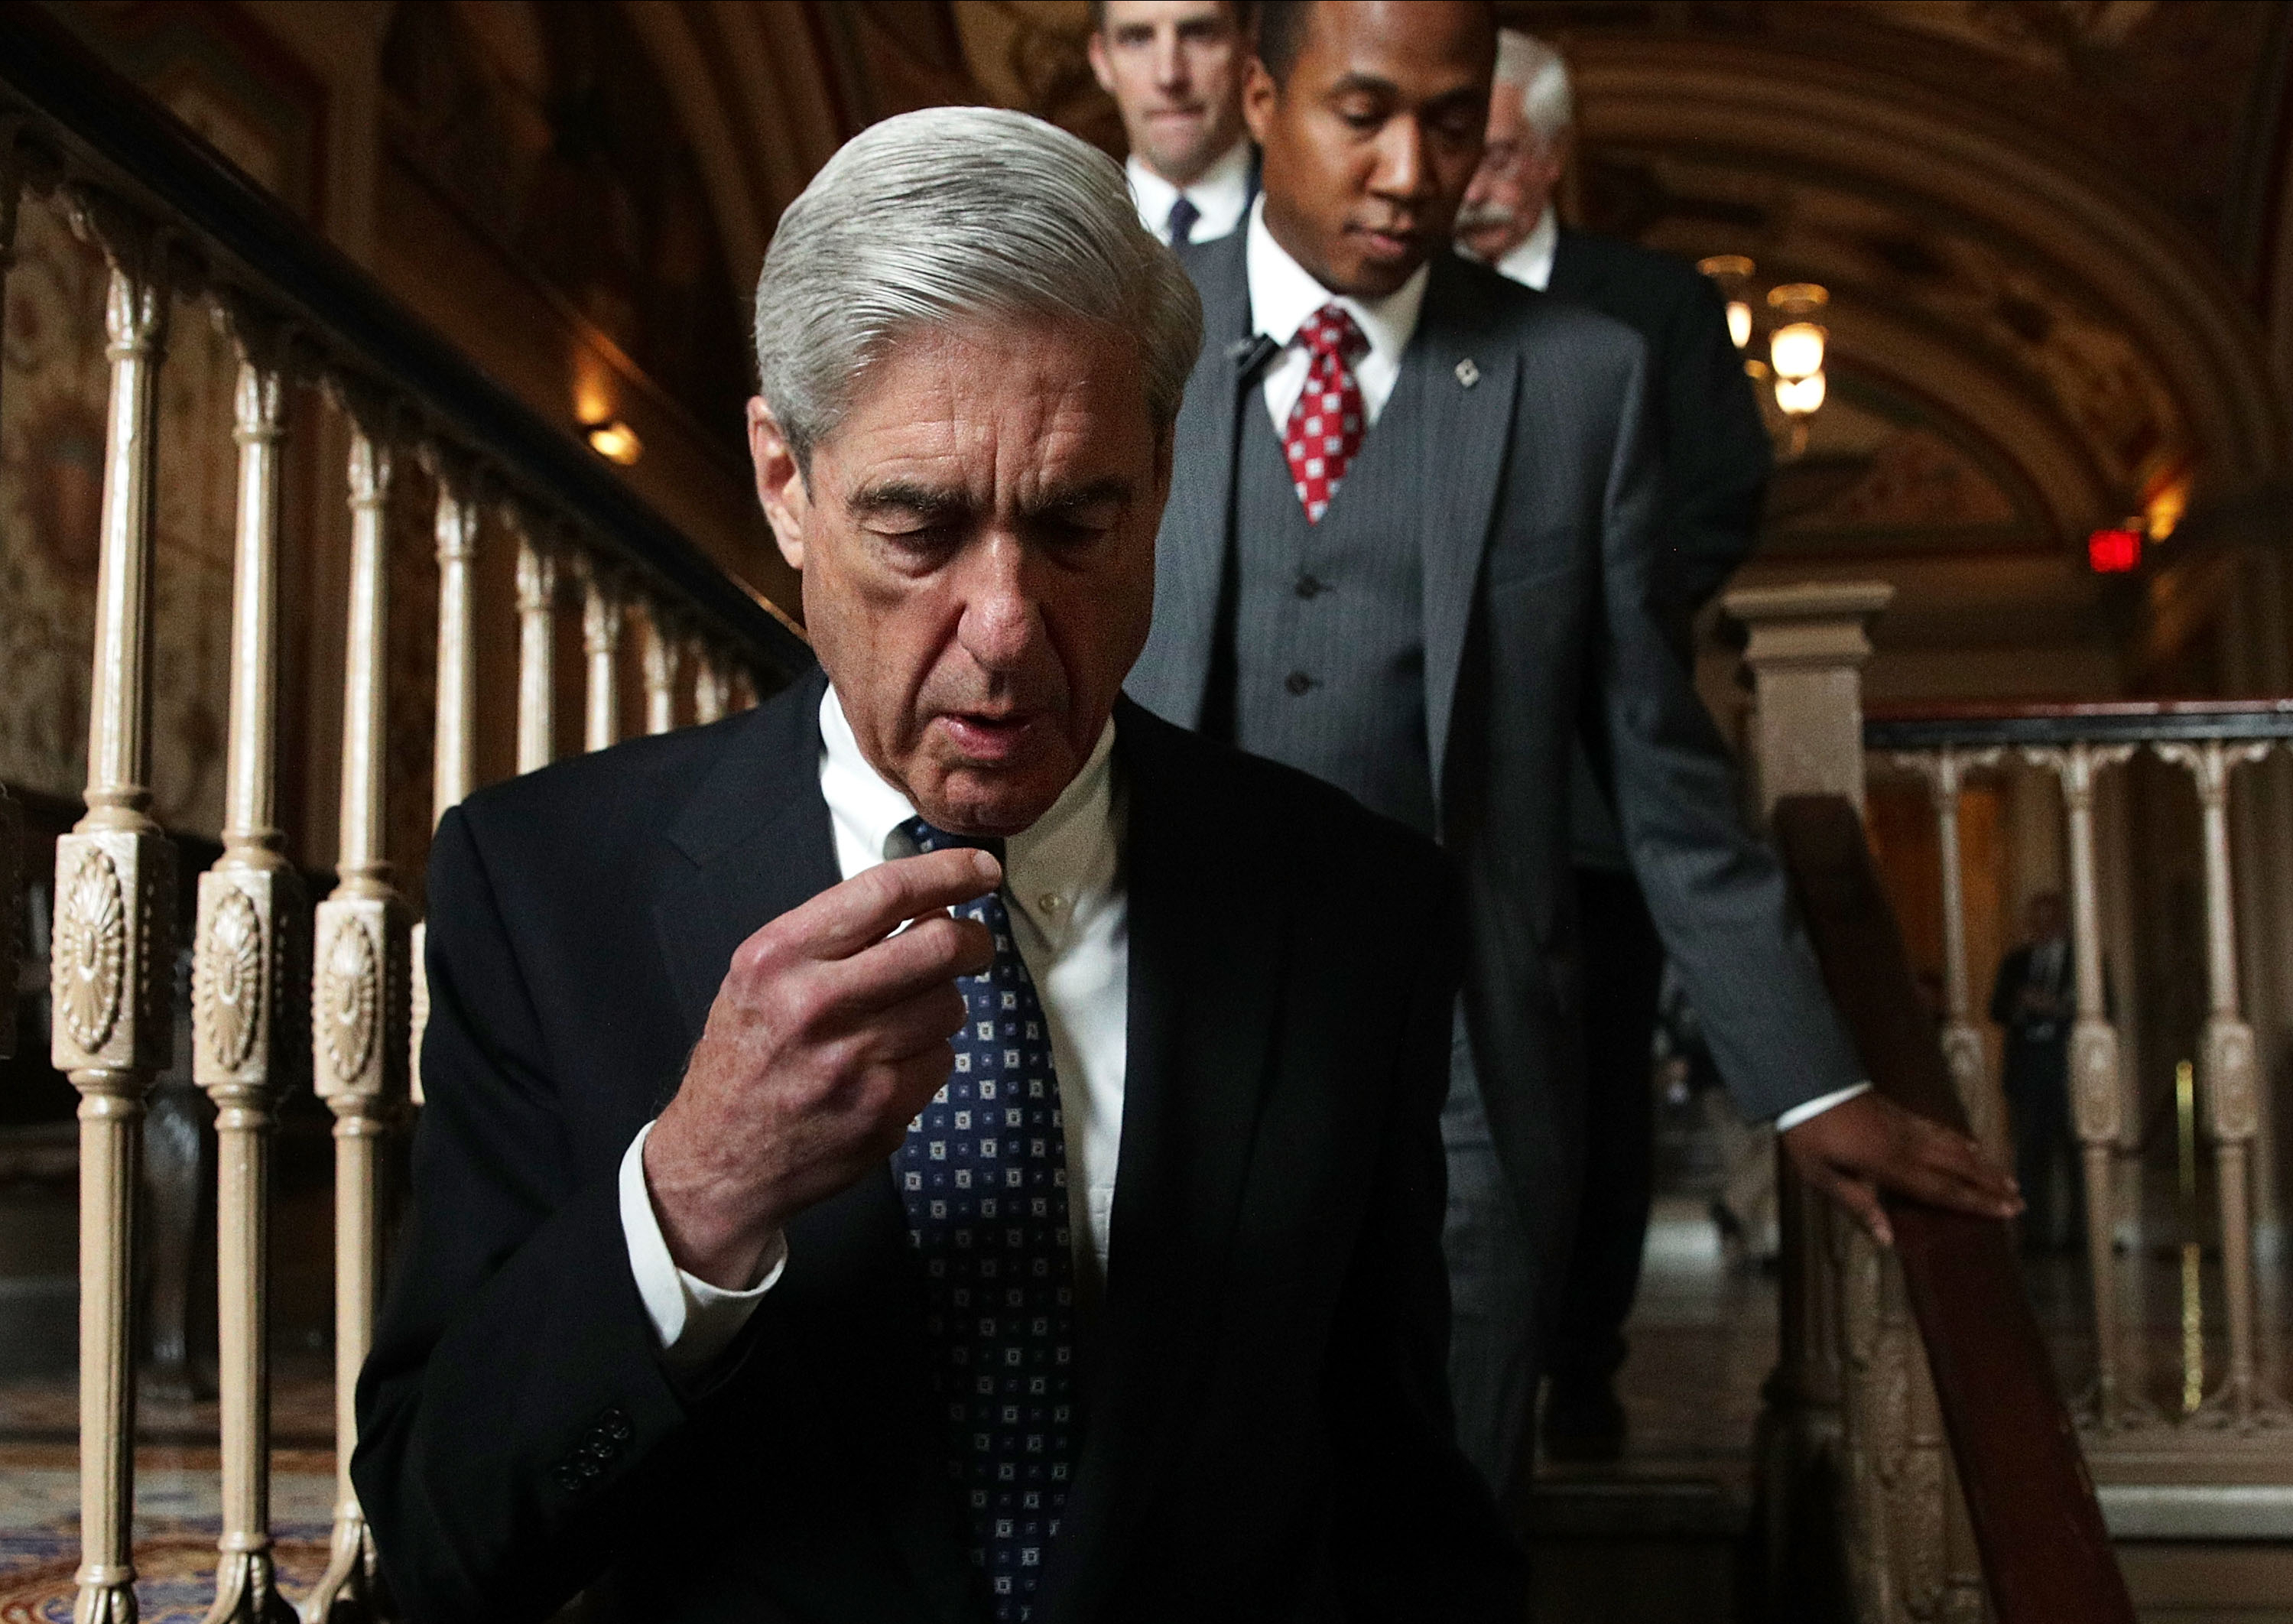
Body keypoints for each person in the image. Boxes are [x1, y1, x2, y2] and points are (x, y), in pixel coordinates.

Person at [354, 106, 1520, 1624]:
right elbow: (441, 1536)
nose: (1006, 630)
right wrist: (693, 1192)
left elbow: (1398, 1508)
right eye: (918, 530)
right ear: (785, 481)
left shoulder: (1350, 913)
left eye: (1073, 524)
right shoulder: (541, 891)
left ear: (1159, 473)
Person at [1123, 0, 2021, 1499]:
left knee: (1451, 1521)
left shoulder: (1580, 380)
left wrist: (1806, 1084)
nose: (1414, 169)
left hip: (1466, 1067)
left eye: (1452, 118)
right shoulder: (1121, 322)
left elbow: (1663, 782)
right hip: (1166, 1046)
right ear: (1261, 102)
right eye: (1362, 114)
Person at [1453, 29, 1778, 1460]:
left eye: (1497, 150)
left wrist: (1575, 622)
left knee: (1582, 1100)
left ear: (1551, 156)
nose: (1464, 179)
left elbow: (1717, 495)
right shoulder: (1376, 301)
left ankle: (1578, 1358)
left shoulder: (1647, 308)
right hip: (1409, 788)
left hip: (1591, 786)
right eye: (1449, 144)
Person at [1088, 1, 1258, 245]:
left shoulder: (1309, 222)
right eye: (1137, 39)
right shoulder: (1068, 236)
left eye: (1198, 33)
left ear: (1249, 48)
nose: (1168, 75)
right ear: (1102, 60)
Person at [1990, 892, 2080, 1252]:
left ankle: (2079, 1238)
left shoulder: (2082, 959)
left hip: (2068, 1073)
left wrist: (2056, 1007)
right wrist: (2021, 1006)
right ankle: (2034, 1237)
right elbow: (1995, 1008)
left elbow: (2102, 1007)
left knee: (2077, 1159)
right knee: (2029, 1159)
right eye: (2036, 919)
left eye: (2049, 919)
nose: (2042, 927)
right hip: (2026, 1074)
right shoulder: (2015, 963)